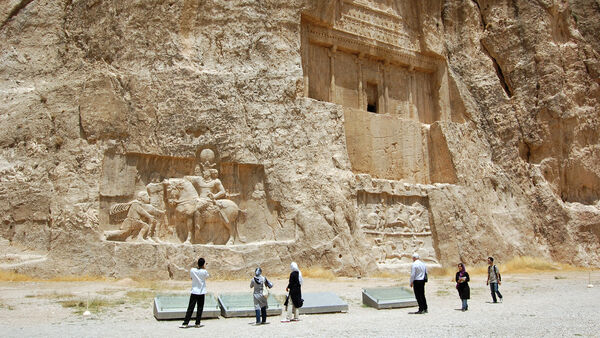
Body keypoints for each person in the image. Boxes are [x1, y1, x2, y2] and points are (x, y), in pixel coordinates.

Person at [180, 258, 209, 328]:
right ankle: (197, 323)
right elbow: (206, 276)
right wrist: (203, 268)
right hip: (201, 292)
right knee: (200, 308)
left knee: (190, 307)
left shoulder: (192, 270)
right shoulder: (204, 271)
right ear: (203, 264)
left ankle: (185, 323)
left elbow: (191, 277)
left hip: (194, 291)